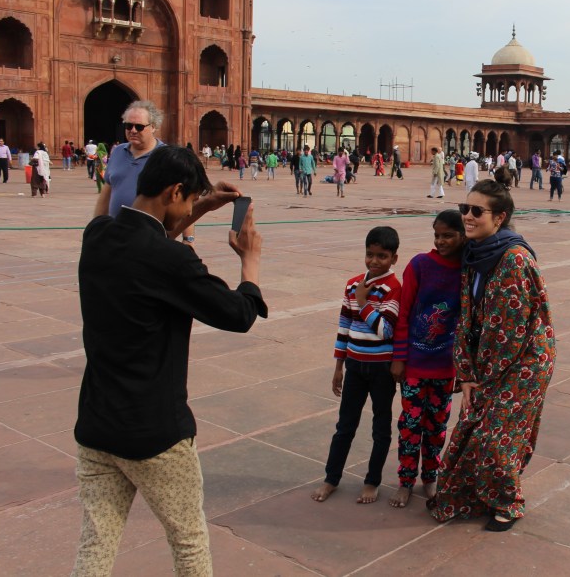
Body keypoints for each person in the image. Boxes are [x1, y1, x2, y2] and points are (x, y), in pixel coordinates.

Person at [72, 145, 267, 575]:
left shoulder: (97, 235)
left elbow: (146, 247)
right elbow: (238, 314)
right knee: (188, 540)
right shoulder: (173, 261)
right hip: (155, 433)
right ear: (174, 191)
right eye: (188, 199)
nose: (188, 208)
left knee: (96, 542)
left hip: (96, 426)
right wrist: (250, 263)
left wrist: (201, 206)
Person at [429, 180, 555, 531]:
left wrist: (481, 380)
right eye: (464, 209)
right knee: (473, 429)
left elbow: (509, 332)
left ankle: (508, 503)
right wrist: (467, 374)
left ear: (499, 218)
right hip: (489, 362)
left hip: (523, 361)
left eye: (476, 211)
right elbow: (467, 317)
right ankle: (471, 496)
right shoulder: (475, 253)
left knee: (496, 436)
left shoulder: (512, 259)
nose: (467, 217)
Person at [311, 226, 402, 505]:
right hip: (354, 366)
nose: (374, 261)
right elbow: (344, 327)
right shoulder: (352, 284)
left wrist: (363, 302)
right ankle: (331, 478)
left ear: (394, 258)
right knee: (345, 425)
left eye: (382, 256)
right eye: (370, 254)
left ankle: (372, 481)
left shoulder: (394, 288)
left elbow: (385, 330)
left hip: (381, 369)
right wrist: (339, 366)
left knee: (381, 427)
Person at [388, 210, 466, 509]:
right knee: (410, 425)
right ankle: (406, 481)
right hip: (415, 365)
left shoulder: (467, 271)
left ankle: (430, 477)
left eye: (448, 235)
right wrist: (399, 357)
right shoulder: (420, 265)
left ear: (463, 236)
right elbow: (404, 313)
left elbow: (468, 323)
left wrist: (462, 369)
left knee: (437, 427)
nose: (441, 241)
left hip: (445, 369)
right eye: (437, 235)